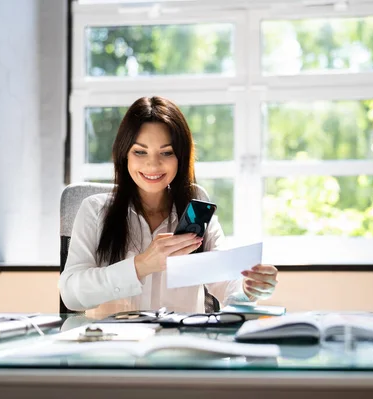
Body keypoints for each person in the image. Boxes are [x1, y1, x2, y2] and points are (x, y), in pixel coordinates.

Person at [59, 96, 278, 316]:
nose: (153, 164)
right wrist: (142, 265)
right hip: (115, 343)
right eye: (140, 151)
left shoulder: (196, 212)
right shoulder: (95, 211)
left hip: (181, 343)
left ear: (180, 158)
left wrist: (250, 289)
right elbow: (71, 295)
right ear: (124, 155)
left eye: (166, 152)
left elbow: (226, 285)